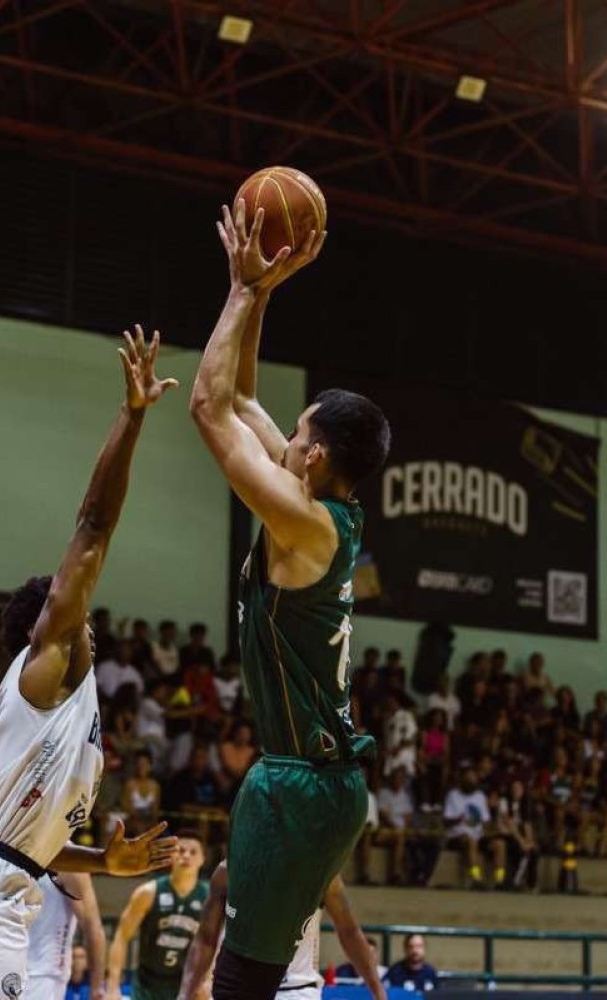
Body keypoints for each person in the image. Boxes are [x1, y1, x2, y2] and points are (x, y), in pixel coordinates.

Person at [0, 328, 179, 1000]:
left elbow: (29, 839)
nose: (88, 617)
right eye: (77, 611)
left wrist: (103, 860)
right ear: (53, 623)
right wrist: (132, 415)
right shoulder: (47, 668)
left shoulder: (60, 702)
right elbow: (94, 523)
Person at [189, 200, 389, 1000]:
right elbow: (239, 399)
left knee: (241, 985)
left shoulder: (303, 522)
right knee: (257, 977)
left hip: (298, 782)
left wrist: (239, 290)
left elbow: (207, 407)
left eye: (298, 429)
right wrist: (265, 290)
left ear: (311, 454)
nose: (287, 433)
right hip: (320, 779)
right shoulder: (328, 507)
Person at [176, 861, 386, 1000]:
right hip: (238, 989)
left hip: (296, 990)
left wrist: (378, 993)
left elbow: (349, 932)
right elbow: (205, 939)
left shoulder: (320, 871)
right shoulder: (230, 869)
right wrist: (185, 994)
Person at [106, 831, 209, 1000]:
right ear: (171, 855)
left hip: (187, 983)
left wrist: (208, 979)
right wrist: (112, 986)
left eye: (193, 852)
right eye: (181, 850)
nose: (186, 856)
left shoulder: (208, 897)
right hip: (148, 982)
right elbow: (121, 937)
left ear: (203, 859)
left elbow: (214, 943)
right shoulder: (148, 892)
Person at [26, 872, 105, 1000]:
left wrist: (97, 987)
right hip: (3, 964)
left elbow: (92, 927)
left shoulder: (68, 866)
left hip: (42, 975)